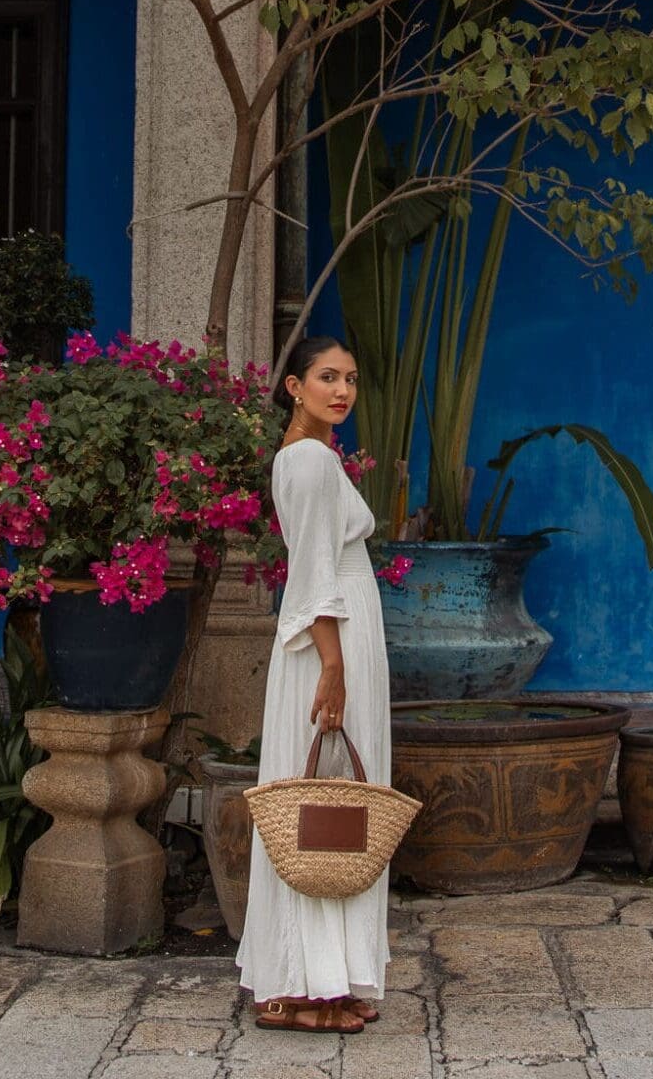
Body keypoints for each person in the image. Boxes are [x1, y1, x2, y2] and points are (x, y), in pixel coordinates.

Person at [236, 336, 391, 1035]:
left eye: (351, 379)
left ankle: (330, 978)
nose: (342, 390)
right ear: (293, 386)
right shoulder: (305, 459)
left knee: (341, 806)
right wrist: (332, 665)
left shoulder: (315, 458)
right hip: (331, 641)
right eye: (327, 377)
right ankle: (299, 985)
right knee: (323, 806)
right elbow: (312, 574)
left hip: (344, 635)